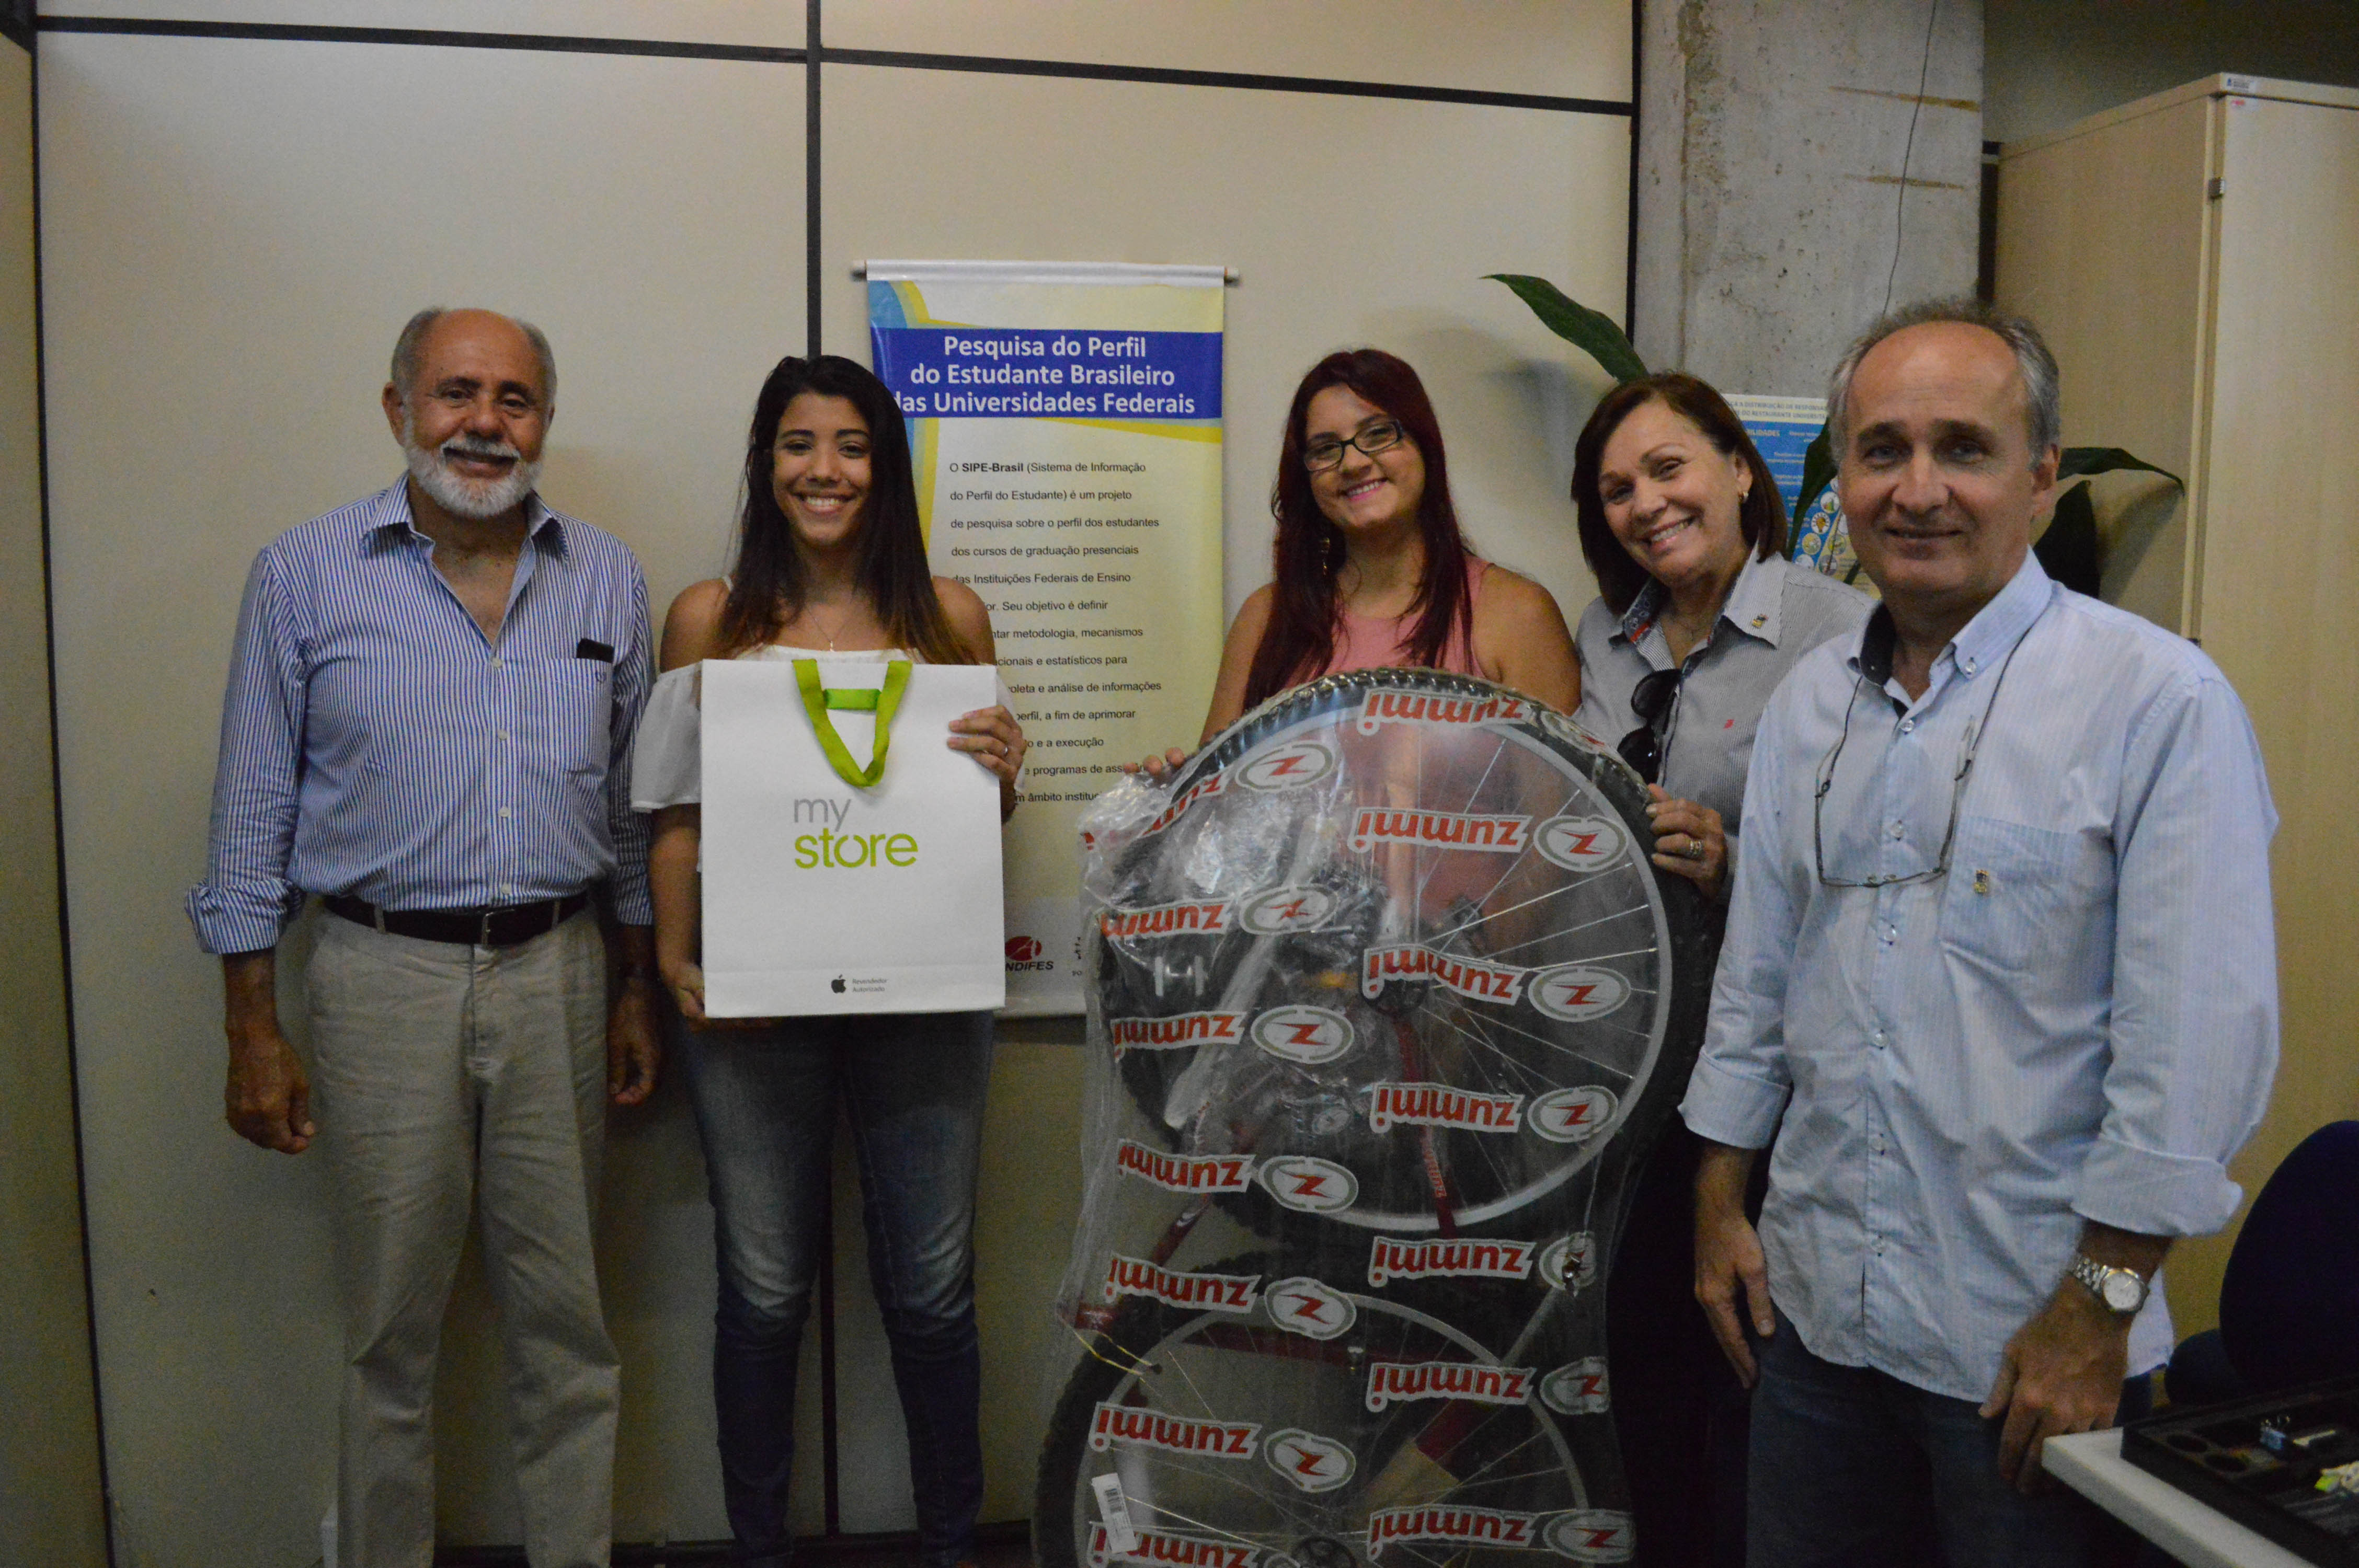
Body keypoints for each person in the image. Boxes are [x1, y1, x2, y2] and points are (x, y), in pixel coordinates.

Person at [1683, 298, 2278, 1568]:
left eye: (1963, 448)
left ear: (2041, 477)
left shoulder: (2156, 701)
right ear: (1840, 481)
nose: (1917, 490)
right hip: (1814, 1323)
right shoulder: (1809, 706)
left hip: (2026, 1351)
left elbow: (2192, 1047)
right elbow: (1760, 974)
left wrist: (2097, 1308)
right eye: (1881, 450)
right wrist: (1719, 1197)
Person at [189, 307, 660, 1568]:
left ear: (543, 422)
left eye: (514, 398)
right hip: (378, 974)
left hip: (560, 972)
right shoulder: (304, 572)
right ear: (398, 408)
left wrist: (633, 985)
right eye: (456, 392)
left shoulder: (607, 577)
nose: (483, 423)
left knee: (568, 1327)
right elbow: (251, 810)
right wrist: (251, 1028)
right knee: (388, 1333)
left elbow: (629, 811)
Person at [633, 353, 1025, 1568]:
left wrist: (1004, 772)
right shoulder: (710, 619)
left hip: (925, 1000)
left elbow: (970, 823)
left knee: (934, 1293)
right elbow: (675, 816)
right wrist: (674, 964)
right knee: (761, 1291)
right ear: (766, 464)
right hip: (754, 1005)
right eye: (799, 444)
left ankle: (952, 1543)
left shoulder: (950, 617)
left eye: (851, 445)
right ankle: (760, 1546)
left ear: (885, 466)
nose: (825, 469)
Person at [1566, 372, 1869, 1566]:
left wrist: (1732, 860)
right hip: (1626, 1078)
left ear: (1741, 469)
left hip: (1773, 1089)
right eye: (1616, 489)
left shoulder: (1837, 632)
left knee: (1757, 1386)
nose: (1645, 503)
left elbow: (1875, 869)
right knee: (1639, 1384)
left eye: (1668, 467)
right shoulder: (1602, 637)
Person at [1138, 348, 1579, 773]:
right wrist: (1172, 796)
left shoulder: (1518, 614)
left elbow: (1565, 810)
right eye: (1325, 449)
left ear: (1425, 446)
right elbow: (1214, 801)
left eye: (1378, 434)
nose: (1352, 462)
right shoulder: (1264, 618)